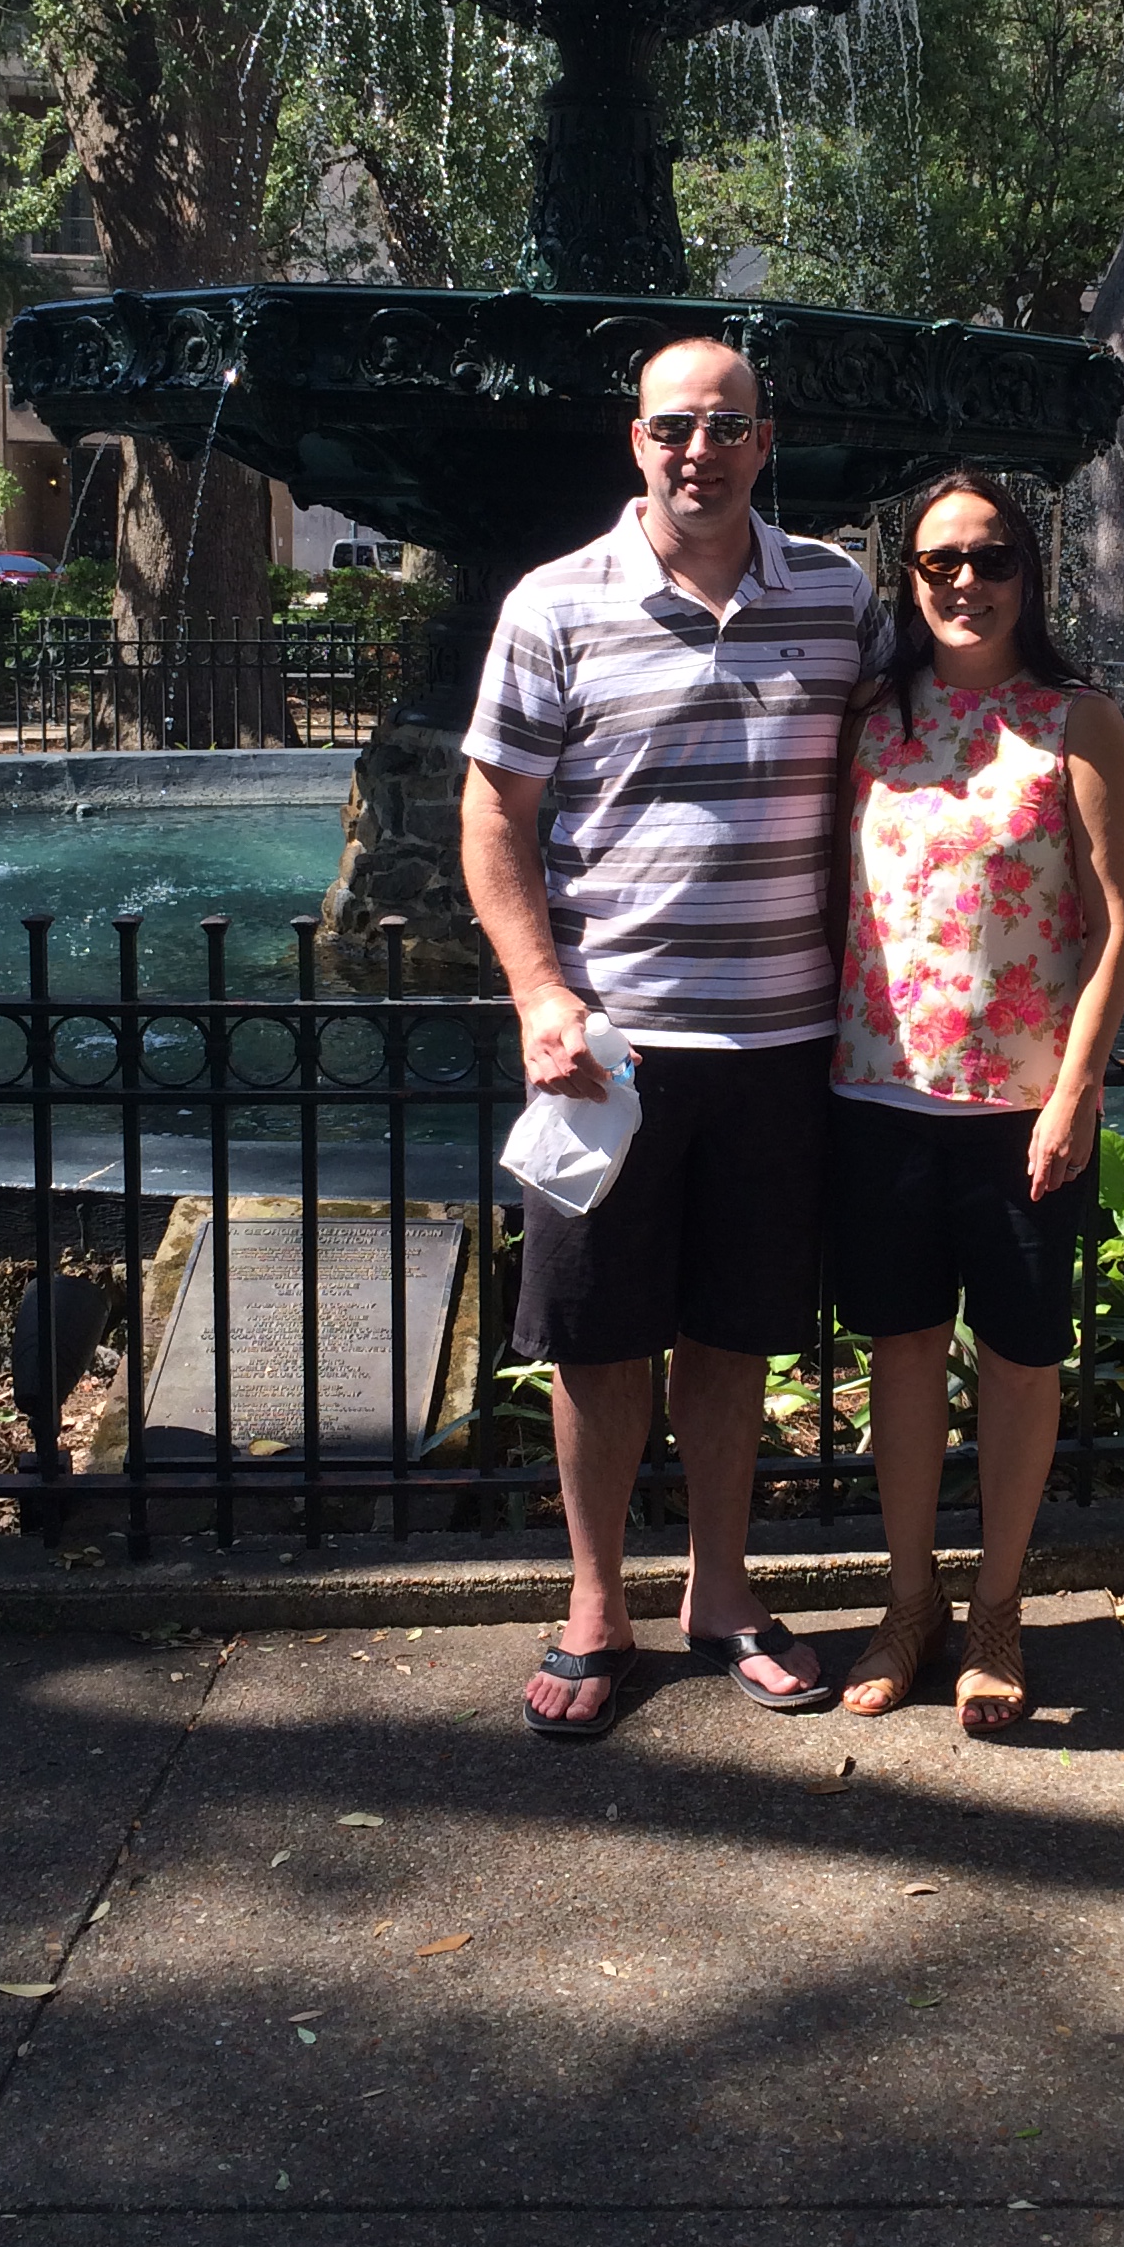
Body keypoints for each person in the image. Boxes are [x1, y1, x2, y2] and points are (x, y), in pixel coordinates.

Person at [460, 337, 885, 1740]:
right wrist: (540, 993)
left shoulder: (837, 595)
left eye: (726, 426)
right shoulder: (554, 603)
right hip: (612, 1052)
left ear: (767, 440)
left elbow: (906, 761)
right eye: (673, 427)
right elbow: (496, 815)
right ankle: (596, 1603)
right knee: (598, 1338)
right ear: (632, 439)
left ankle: (721, 1589)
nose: (699, 450)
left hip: (785, 1042)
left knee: (735, 1333)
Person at [829, 471, 1124, 1731]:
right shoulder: (870, 718)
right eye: (939, 561)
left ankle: (997, 1609)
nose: (966, 581)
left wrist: (1075, 1093)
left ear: (1029, 572)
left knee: (1019, 1362)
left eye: (993, 557)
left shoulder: (1076, 723)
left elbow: (1115, 928)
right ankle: (910, 1604)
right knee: (901, 1354)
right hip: (877, 1095)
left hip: (1021, 1114)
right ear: (908, 576)